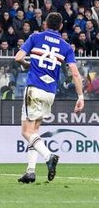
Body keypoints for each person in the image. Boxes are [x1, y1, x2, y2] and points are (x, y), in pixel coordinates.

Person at [14, 12, 84, 183]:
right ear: (60, 27)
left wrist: (26, 63)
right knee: (35, 131)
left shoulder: (36, 37)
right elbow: (74, 73)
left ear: (45, 24)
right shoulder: (66, 46)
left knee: (26, 131)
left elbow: (18, 57)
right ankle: (30, 171)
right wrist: (80, 96)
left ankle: (48, 156)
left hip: (34, 89)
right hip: (50, 92)